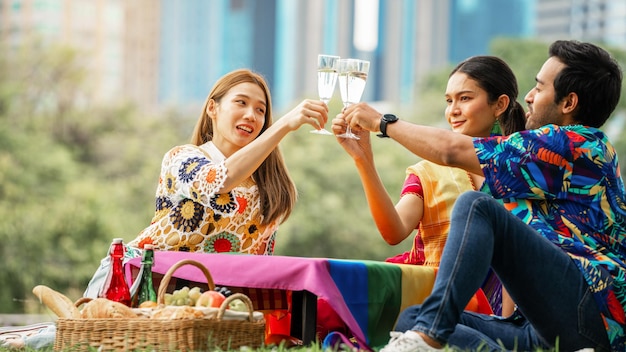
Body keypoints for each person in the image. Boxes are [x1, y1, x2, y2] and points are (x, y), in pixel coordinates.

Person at [332, 40, 625, 351]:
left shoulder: (573, 144)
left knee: (476, 207)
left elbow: (450, 150)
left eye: (539, 88)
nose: (528, 96)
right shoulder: (543, 160)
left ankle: (428, 335)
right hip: (542, 325)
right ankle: (426, 331)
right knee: (410, 319)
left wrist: (383, 122)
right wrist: (364, 158)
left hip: (592, 313)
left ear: (569, 103)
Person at [84, 68, 329, 295]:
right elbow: (221, 180)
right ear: (213, 108)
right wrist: (284, 126)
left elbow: (259, 266)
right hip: (135, 286)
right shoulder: (183, 159)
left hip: (209, 305)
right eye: (241, 102)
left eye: (260, 110)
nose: (251, 115)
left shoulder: (268, 187)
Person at [335, 56, 524, 316]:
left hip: (514, 308)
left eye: (465, 98)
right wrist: (362, 158)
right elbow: (394, 232)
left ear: (500, 104)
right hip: (437, 299)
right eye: (449, 101)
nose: (453, 110)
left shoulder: (524, 167)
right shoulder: (429, 171)